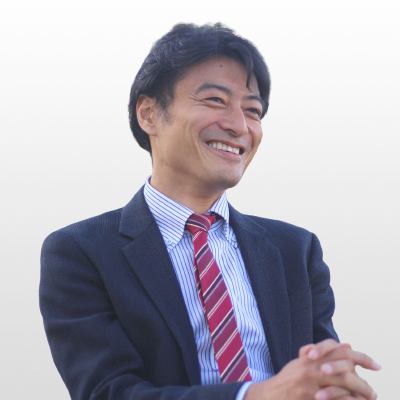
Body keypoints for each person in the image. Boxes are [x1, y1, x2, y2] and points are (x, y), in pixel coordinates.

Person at [40, 23, 380, 400]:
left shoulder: (296, 250)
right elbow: (109, 392)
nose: (239, 126)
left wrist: (333, 382)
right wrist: (255, 395)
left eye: (253, 110)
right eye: (216, 100)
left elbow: (315, 376)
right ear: (149, 114)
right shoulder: (81, 252)